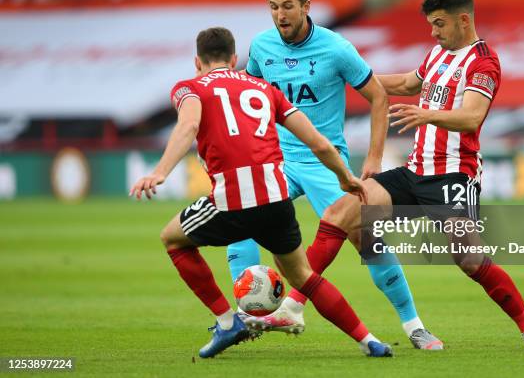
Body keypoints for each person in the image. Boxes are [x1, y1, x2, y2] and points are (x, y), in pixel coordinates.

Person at [317, 0, 524, 352]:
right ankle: (291, 305)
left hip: (452, 175)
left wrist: (426, 113)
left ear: (464, 20)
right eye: (431, 24)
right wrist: (352, 79)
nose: (433, 32)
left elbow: (472, 117)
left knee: (469, 259)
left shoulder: (484, 63)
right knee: (342, 212)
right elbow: (407, 83)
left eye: (440, 24)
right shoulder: (437, 55)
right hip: (415, 172)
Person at [129, 27, 392, 358]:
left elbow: (188, 125)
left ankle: (227, 324)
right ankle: (368, 341)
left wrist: (160, 171)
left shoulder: (189, 88)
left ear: (197, 62)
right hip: (276, 201)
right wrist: (345, 177)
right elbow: (318, 142)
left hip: (232, 203)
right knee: (304, 277)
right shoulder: (264, 89)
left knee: (172, 239)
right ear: (235, 59)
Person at [227, 0, 442, 349]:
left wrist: (373, 158)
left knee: (366, 237)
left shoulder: (337, 48)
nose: (280, 15)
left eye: (288, 6)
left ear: (306, 6)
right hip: (276, 159)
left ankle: (413, 325)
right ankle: (244, 315)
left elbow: (378, 96)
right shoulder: (261, 47)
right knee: (241, 218)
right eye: (274, 7)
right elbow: (253, 102)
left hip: (324, 163)